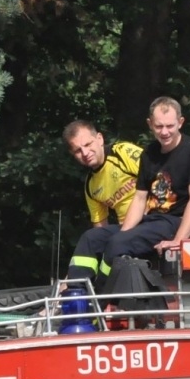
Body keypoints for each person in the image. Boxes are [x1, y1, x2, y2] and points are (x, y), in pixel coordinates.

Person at [102, 97, 190, 277]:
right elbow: (139, 199)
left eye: (170, 126)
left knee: (117, 244)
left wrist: (178, 241)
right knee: (93, 238)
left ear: (181, 123)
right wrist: (124, 233)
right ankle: (72, 292)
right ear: (150, 124)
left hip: (178, 221)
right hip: (153, 221)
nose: (165, 132)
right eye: (159, 126)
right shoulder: (149, 153)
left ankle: (102, 300)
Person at [61, 120, 143, 288]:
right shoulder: (91, 185)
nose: (85, 152)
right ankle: (72, 294)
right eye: (78, 150)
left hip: (151, 220)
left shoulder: (124, 153)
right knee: (93, 240)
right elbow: (100, 229)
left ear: (99, 138)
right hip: (125, 231)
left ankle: (94, 296)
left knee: (93, 240)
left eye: (87, 144)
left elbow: (161, 178)